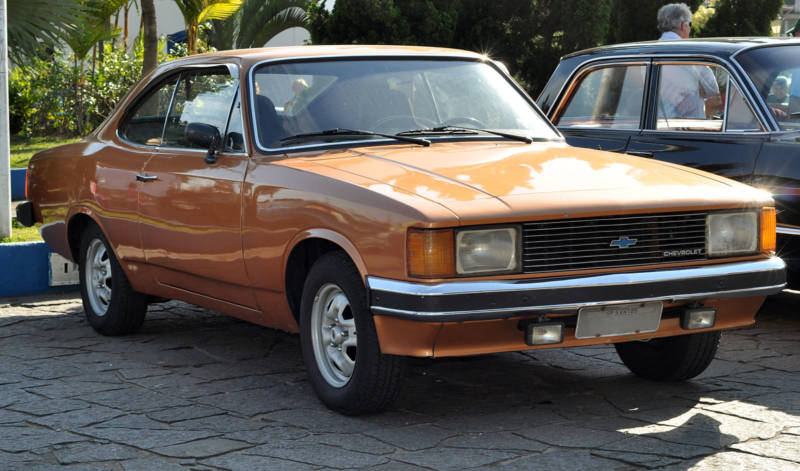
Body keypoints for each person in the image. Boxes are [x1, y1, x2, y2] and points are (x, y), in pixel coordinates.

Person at [656, 3, 721, 119]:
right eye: (690, 24)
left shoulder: (648, 52)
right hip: (689, 127)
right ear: (683, 25)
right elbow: (715, 97)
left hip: (656, 126)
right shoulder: (692, 53)